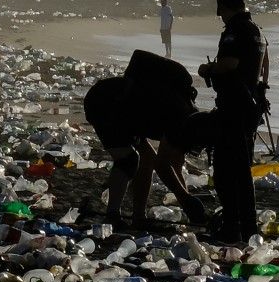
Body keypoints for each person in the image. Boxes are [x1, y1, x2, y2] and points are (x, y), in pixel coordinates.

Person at [83, 74, 210, 229]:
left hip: (130, 112)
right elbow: (163, 165)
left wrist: (186, 199)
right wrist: (185, 199)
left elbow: (175, 163)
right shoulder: (179, 121)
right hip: (106, 102)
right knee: (128, 160)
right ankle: (112, 216)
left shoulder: (190, 120)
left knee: (147, 159)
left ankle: (138, 217)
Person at [197, 0, 267, 243]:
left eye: (221, 9)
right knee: (241, 169)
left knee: (227, 171)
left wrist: (208, 69)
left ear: (224, 6)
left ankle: (234, 225)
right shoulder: (256, 31)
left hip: (235, 108)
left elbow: (230, 64)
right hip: (249, 107)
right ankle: (246, 226)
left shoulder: (235, 31)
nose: (220, 15)